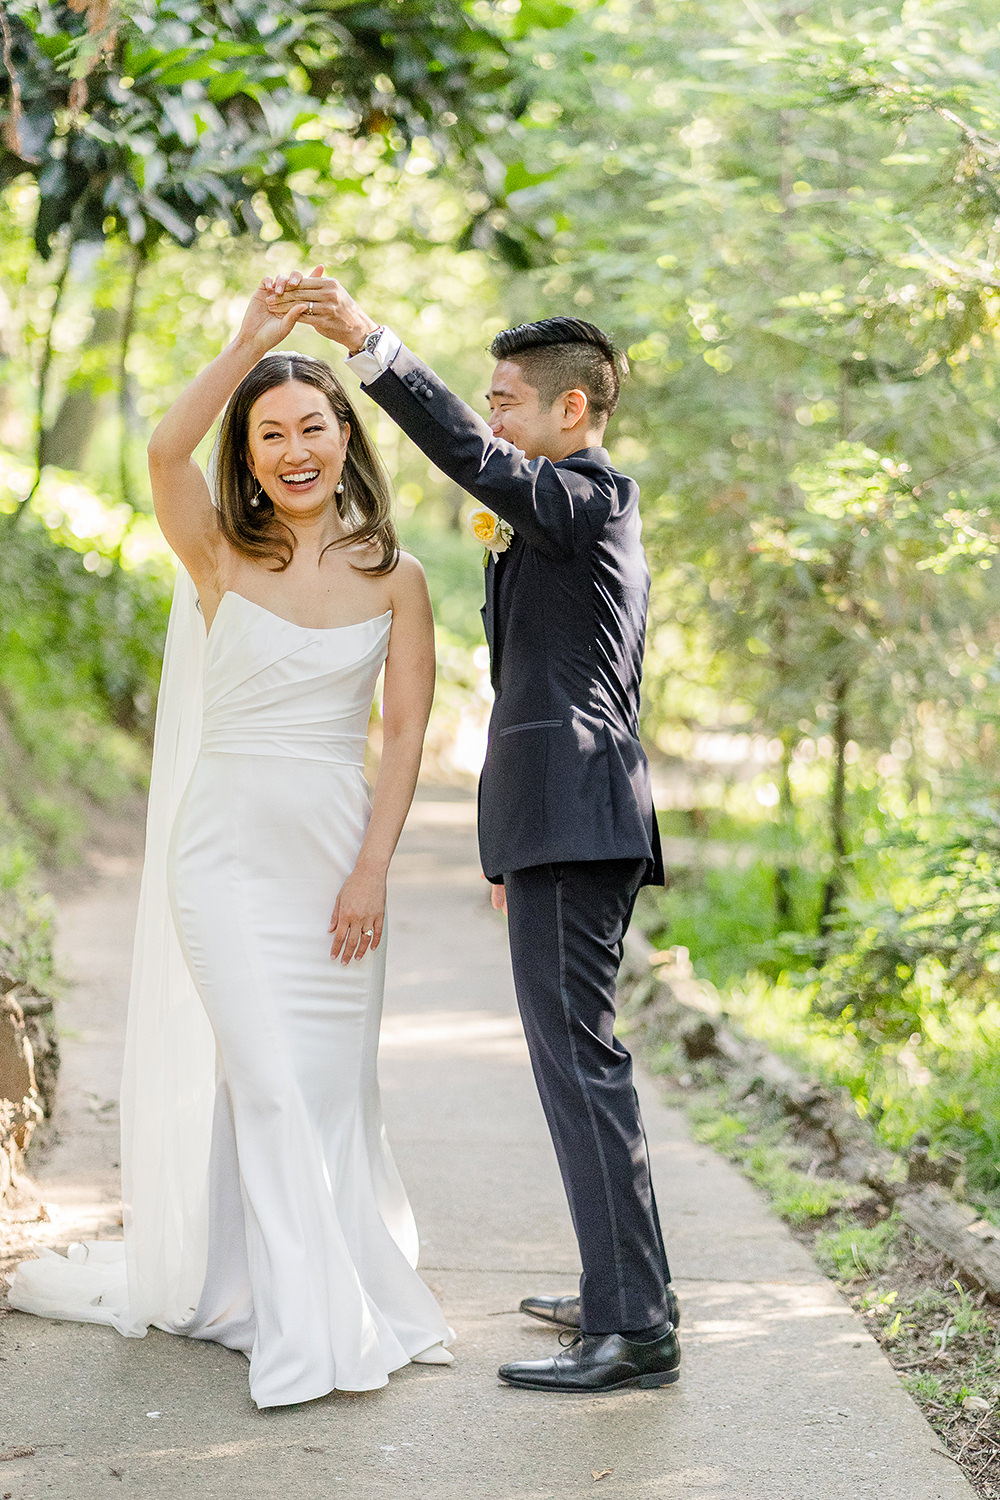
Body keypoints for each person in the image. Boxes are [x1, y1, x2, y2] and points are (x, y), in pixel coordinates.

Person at [7, 280, 453, 1407]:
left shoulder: (397, 581)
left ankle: (285, 1287)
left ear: (346, 438)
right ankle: (304, 1333)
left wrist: (371, 871)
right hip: (222, 860)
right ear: (249, 458)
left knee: (325, 1091)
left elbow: (402, 737)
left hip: (331, 858)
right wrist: (250, 342)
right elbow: (163, 452)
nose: (294, 450)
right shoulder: (216, 558)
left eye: (313, 426)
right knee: (261, 1079)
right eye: (270, 435)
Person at [264, 269, 680, 1394]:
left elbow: (471, 459)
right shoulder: (561, 514)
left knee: (578, 1066)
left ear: (571, 410)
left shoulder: (586, 496)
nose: (492, 415)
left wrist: (366, 341)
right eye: (488, 397)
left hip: (575, 812)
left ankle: (635, 1326)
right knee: (576, 1064)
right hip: (557, 819)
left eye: (506, 398)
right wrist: (512, 840)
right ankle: (620, 1290)